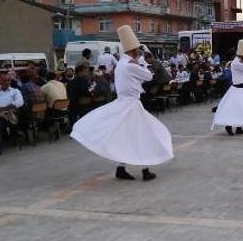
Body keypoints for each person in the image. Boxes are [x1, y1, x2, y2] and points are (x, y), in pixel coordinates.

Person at [71, 25, 173, 181]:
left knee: (128, 136)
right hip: (131, 105)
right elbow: (148, 76)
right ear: (134, 51)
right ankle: (144, 170)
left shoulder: (121, 64)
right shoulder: (130, 65)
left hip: (125, 103)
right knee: (142, 135)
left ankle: (122, 168)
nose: (140, 54)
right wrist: (141, 63)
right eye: (138, 51)